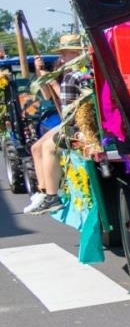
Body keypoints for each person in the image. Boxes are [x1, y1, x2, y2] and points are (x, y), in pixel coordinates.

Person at [22, 43, 91, 216]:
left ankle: (52, 195)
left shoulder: (79, 74)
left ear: (76, 54)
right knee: (36, 147)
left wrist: (52, 82)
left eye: (65, 54)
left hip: (76, 122)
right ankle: (44, 192)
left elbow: (67, 105)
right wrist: (40, 73)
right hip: (69, 120)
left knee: (47, 147)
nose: (62, 58)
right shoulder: (66, 73)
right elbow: (47, 96)